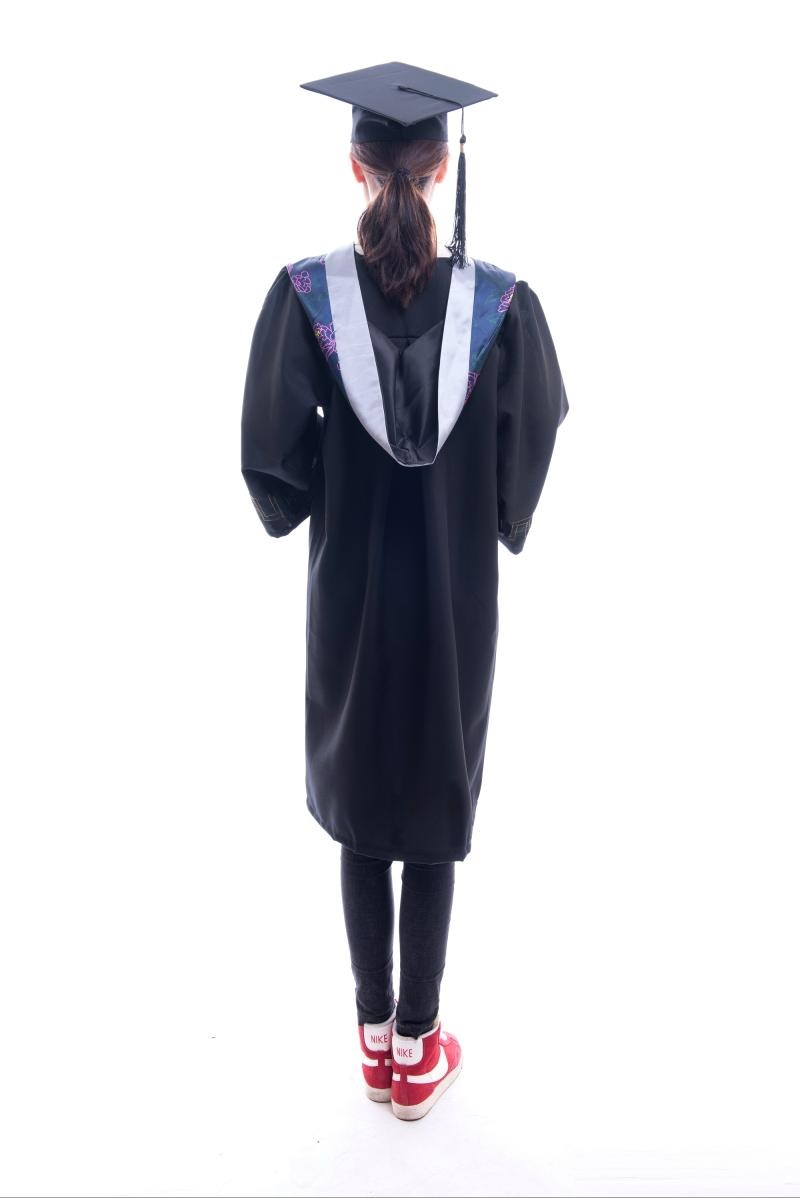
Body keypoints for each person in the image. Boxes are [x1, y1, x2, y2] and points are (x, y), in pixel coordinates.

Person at [240, 62, 569, 1121]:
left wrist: (316, 492)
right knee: (430, 801)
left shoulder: (306, 297)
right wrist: (494, 510)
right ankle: (422, 1050)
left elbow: (270, 458)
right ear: (441, 169)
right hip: (453, 598)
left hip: (350, 595)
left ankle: (374, 1036)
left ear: (354, 168)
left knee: (363, 813)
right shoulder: (500, 305)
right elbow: (535, 433)